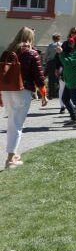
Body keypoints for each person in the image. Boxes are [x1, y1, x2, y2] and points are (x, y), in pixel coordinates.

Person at [1, 27, 48, 169]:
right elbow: (39, 77)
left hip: (7, 90)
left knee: (11, 122)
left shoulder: (7, 52)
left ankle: (13, 154)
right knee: (16, 124)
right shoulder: (32, 53)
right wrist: (44, 94)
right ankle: (10, 159)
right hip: (22, 91)